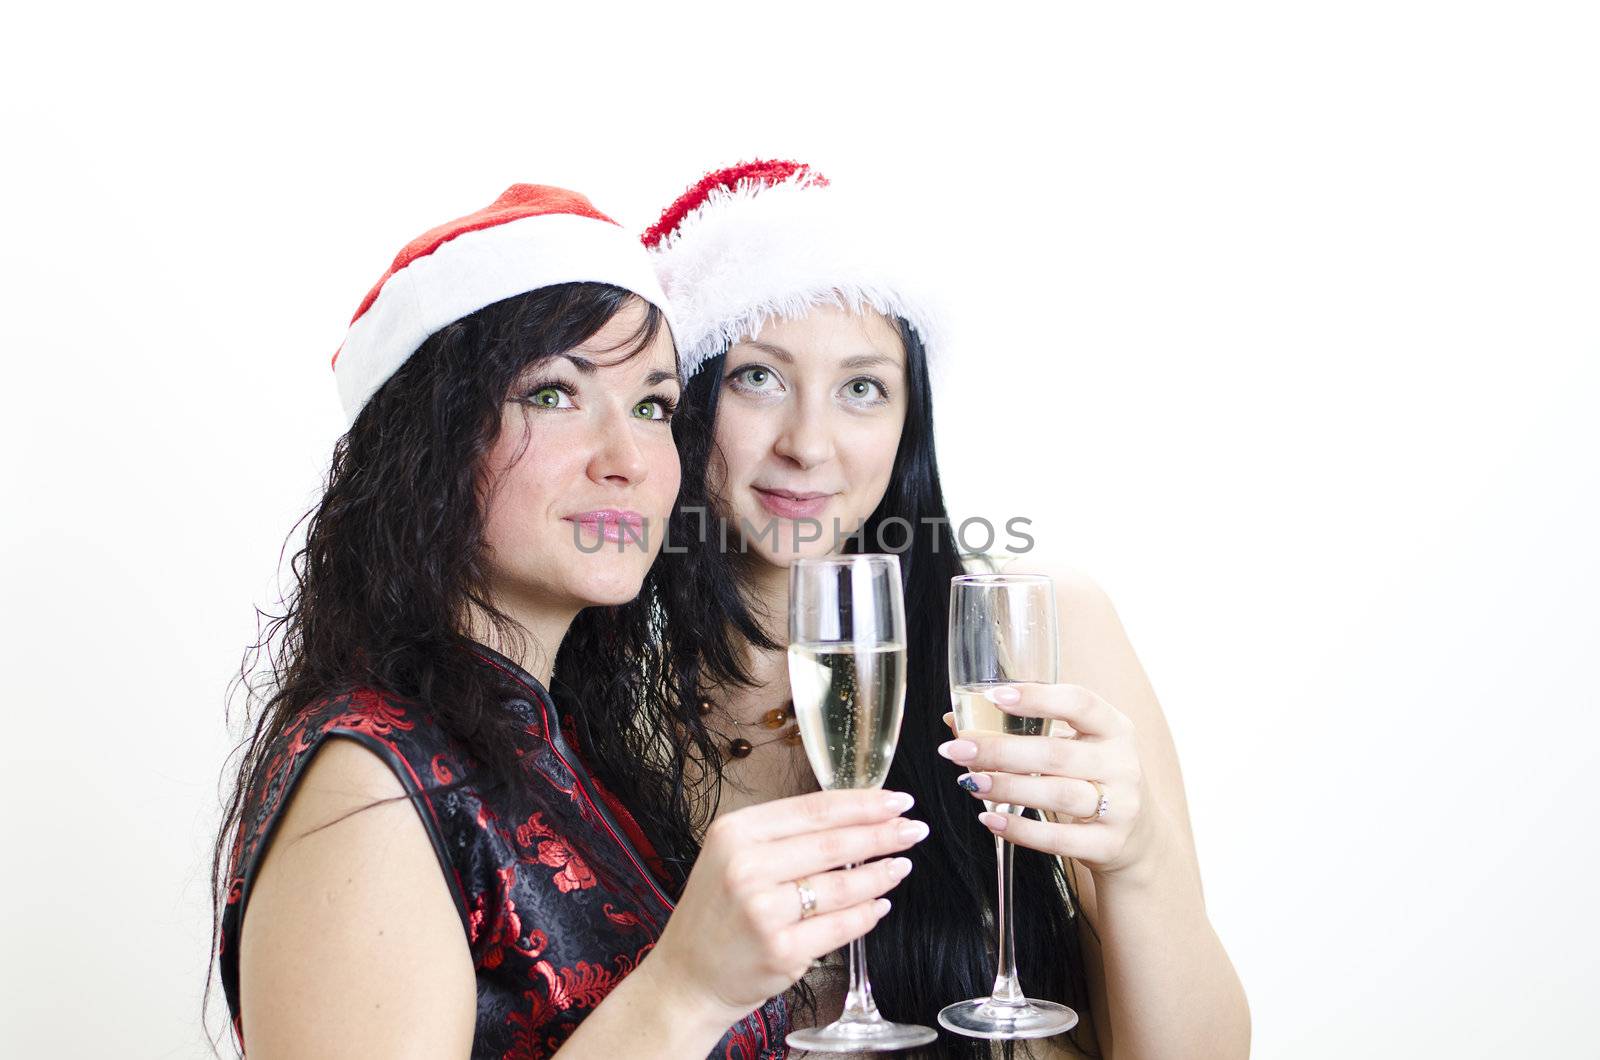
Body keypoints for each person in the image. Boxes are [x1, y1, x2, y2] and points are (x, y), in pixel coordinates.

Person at [208, 184, 928, 1058]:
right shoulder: (371, 782)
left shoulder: (563, 752)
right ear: (426, 443)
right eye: (553, 395)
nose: (626, 459)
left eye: (652, 407)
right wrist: (685, 990)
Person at [644, 161, 1252, 1058]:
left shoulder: (1026, 639)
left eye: (862, 388)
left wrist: (1141, 860)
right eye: (758, 379)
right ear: (681, 400)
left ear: (907, 420)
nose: (808, 445)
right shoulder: (612, 698)